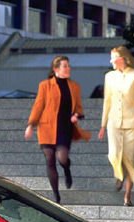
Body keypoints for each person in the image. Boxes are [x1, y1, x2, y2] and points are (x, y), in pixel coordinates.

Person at [24, 55, 89, 204]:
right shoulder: (45, 85)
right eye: (65, 66)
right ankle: (56, 195)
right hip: (46, 127)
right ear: (56, 69)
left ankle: (66, 169)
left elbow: (78, 107)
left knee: (62, 158)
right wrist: (31, 125)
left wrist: (77, 116)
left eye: (68, 66)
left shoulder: (74, 86)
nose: (68, 68)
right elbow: (38, 106)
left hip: (64, 128)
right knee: (50, 160)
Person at [98, 45, 134, 207]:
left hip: (133, 122)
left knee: (130, 160)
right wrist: (103, 124)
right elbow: (107, 101)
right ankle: (118, 175)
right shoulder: (109, 77)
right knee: (113, 155)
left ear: (122, 59)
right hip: (113, 121)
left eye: (113, 57)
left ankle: (127, 195)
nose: (111, 61)